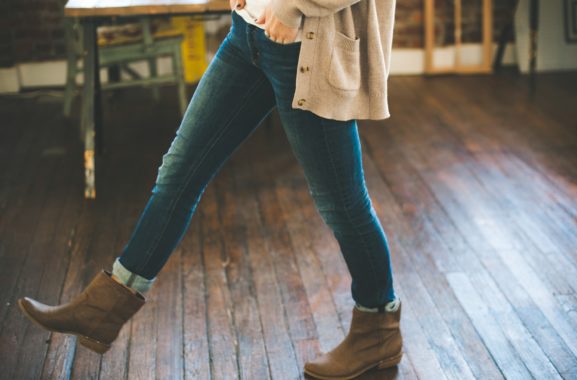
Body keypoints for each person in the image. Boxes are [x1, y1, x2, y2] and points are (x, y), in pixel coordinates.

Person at [18, 0, 402, 377]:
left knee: (342, 204)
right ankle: (104, 307)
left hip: (305, 46)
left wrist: (290, 6)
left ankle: (377, 329)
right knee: (179, 172)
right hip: (247, 35)